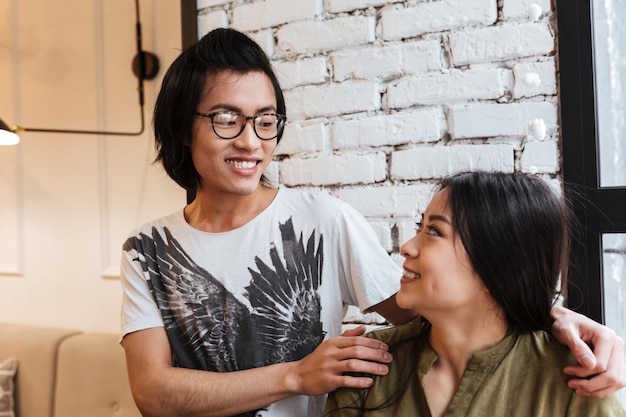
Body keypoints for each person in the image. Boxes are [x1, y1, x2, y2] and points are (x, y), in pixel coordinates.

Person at [119, 28, 625, 417]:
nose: (252, 142)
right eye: (227, 119)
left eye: (266, 120)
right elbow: (153, 393)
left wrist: (553, 320)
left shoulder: (324, 220)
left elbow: (434, 307)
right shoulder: (147, 249)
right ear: (183, 126)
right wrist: (296, 376)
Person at [325, 171, 626, 417]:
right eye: (421, 227)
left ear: (498, 264)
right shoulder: (365, 365)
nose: (407, 246)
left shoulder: (577, 381)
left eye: (433, 232)